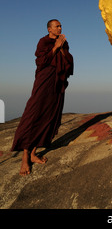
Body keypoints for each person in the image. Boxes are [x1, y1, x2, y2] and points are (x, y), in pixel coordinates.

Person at [11, 19, 73, 176]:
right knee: (33, 115)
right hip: (43, 83)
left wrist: (62, 48)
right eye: (56, 26)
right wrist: (56, 47)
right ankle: (25, 157)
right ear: (49, 29)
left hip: (57, 84)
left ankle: (33, 153)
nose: (59, 28)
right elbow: (41, 62)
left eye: (60, 26)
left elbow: (68, 61)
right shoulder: (44, 41)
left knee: (48, 117)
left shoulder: (64, 42)